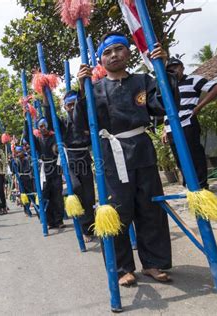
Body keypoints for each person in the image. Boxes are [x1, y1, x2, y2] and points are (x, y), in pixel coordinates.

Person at [74, 32, 174, 286]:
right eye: (107, 53)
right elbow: (81, 126)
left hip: (141, 148)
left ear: (128, 53)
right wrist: (81, 90)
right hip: (112, 153)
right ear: (100, 60)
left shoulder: (143, 80)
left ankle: (153, 263)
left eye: (118, 49)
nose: (113, 55)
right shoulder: (94, 89)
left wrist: (164, 70)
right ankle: (122, 268)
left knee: (150, 208)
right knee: (117, 211)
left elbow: (163, 106)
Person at [162, 57, 217, 189]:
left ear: (182, 68)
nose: (172, 70)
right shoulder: (167, 86)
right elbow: (165, 108)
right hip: (171, 127)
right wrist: (164, 129)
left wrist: (198, 107)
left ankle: (202, 185)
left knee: (194, 154)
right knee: (179, 158)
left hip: (187, 122)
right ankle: (190, 185)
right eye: (169, 69)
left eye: (175, 67)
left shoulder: (193, 79)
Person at [45, 90, 96, 242]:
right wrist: (45, 97)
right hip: (70, 160)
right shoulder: (62, 123)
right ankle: (82, 226)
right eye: (69, 105)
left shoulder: (86, 119)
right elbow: (49, 118)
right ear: (65, 107)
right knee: (75, 188)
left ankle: (90, 227)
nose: (72, 107)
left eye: (75, 104)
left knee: (89, 197)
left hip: (85, 159)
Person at [24, 117, 65, 229]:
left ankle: (59, 220)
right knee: (45, 195)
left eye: (43, 125)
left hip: (55, 169)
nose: (42, 128)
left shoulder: (55, 137)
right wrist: (26, 121)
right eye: (40, 126)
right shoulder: (38, 140)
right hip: (44, 171)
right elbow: (28, 137)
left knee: (57, 195)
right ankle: (49, 221)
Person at [11, 146, 35, 216]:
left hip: (29, 178)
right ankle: (26, 210)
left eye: (19, 152)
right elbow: (14, 171)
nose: (18, 154)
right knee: (24, 195)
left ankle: (36, 208)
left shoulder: (28, 158)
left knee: (32, 194)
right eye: (17, 152)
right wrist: (12, 163)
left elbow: (32, 167)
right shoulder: (16, 160)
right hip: (21, 179)